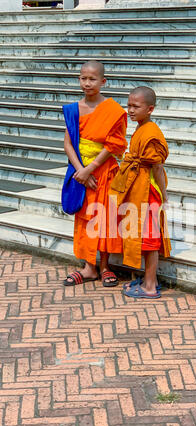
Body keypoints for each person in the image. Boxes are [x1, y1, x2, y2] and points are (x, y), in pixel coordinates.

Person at [62, 60, 127, 287]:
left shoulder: (113, 110)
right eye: (83, 78)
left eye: (92, 79)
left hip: (105, 171)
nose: (87, 83)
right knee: (85, 218)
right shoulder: (73, 110)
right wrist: (80, 170)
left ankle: (106, 266)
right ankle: (89, 267)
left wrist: (91, 168)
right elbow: (68, 144)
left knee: (106, 218)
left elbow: (114, 145)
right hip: (80, 172)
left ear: (103, 81)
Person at [109, 86, 171, 299]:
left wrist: (164, 194)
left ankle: (150, 286)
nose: (131, 110)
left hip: (149, 193)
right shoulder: (142, 127)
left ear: (150, 109)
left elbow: (158, 167)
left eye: (136, 106)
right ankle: (147, 280)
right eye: (129, 106)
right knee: (144, 238)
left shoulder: (152, 133)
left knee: (150, 240)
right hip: (139, 190)